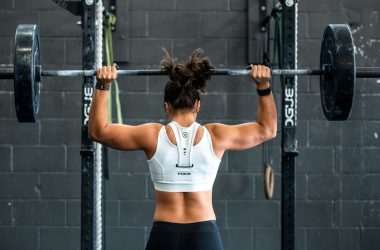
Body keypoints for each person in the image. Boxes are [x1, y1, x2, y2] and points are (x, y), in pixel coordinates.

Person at [89, 49, 277, 250]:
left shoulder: (151, 135)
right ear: (198, 105)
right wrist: (263, 86)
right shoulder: (216, 136)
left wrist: (103, 85)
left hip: (164, 234)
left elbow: (98, 132)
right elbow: (268, 130)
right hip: (204, 234)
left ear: (167, 106)